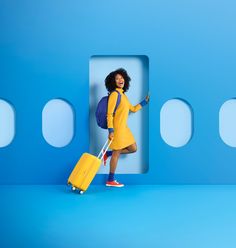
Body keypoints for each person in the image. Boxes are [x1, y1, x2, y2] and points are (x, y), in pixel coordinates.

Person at [103, 68, 150, 187]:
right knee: (117, 153)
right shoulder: (114, 94)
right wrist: (111, 130)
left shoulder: (123, 95)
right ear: (113, 82)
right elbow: (109, 114)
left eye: (121, 77)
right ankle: (110, 180)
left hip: (124, 128)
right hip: (117, 129)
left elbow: (132, 109)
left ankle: (107, 154)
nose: (120, 80)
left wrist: (144, 102)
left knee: (133, 148)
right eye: (117, 78)